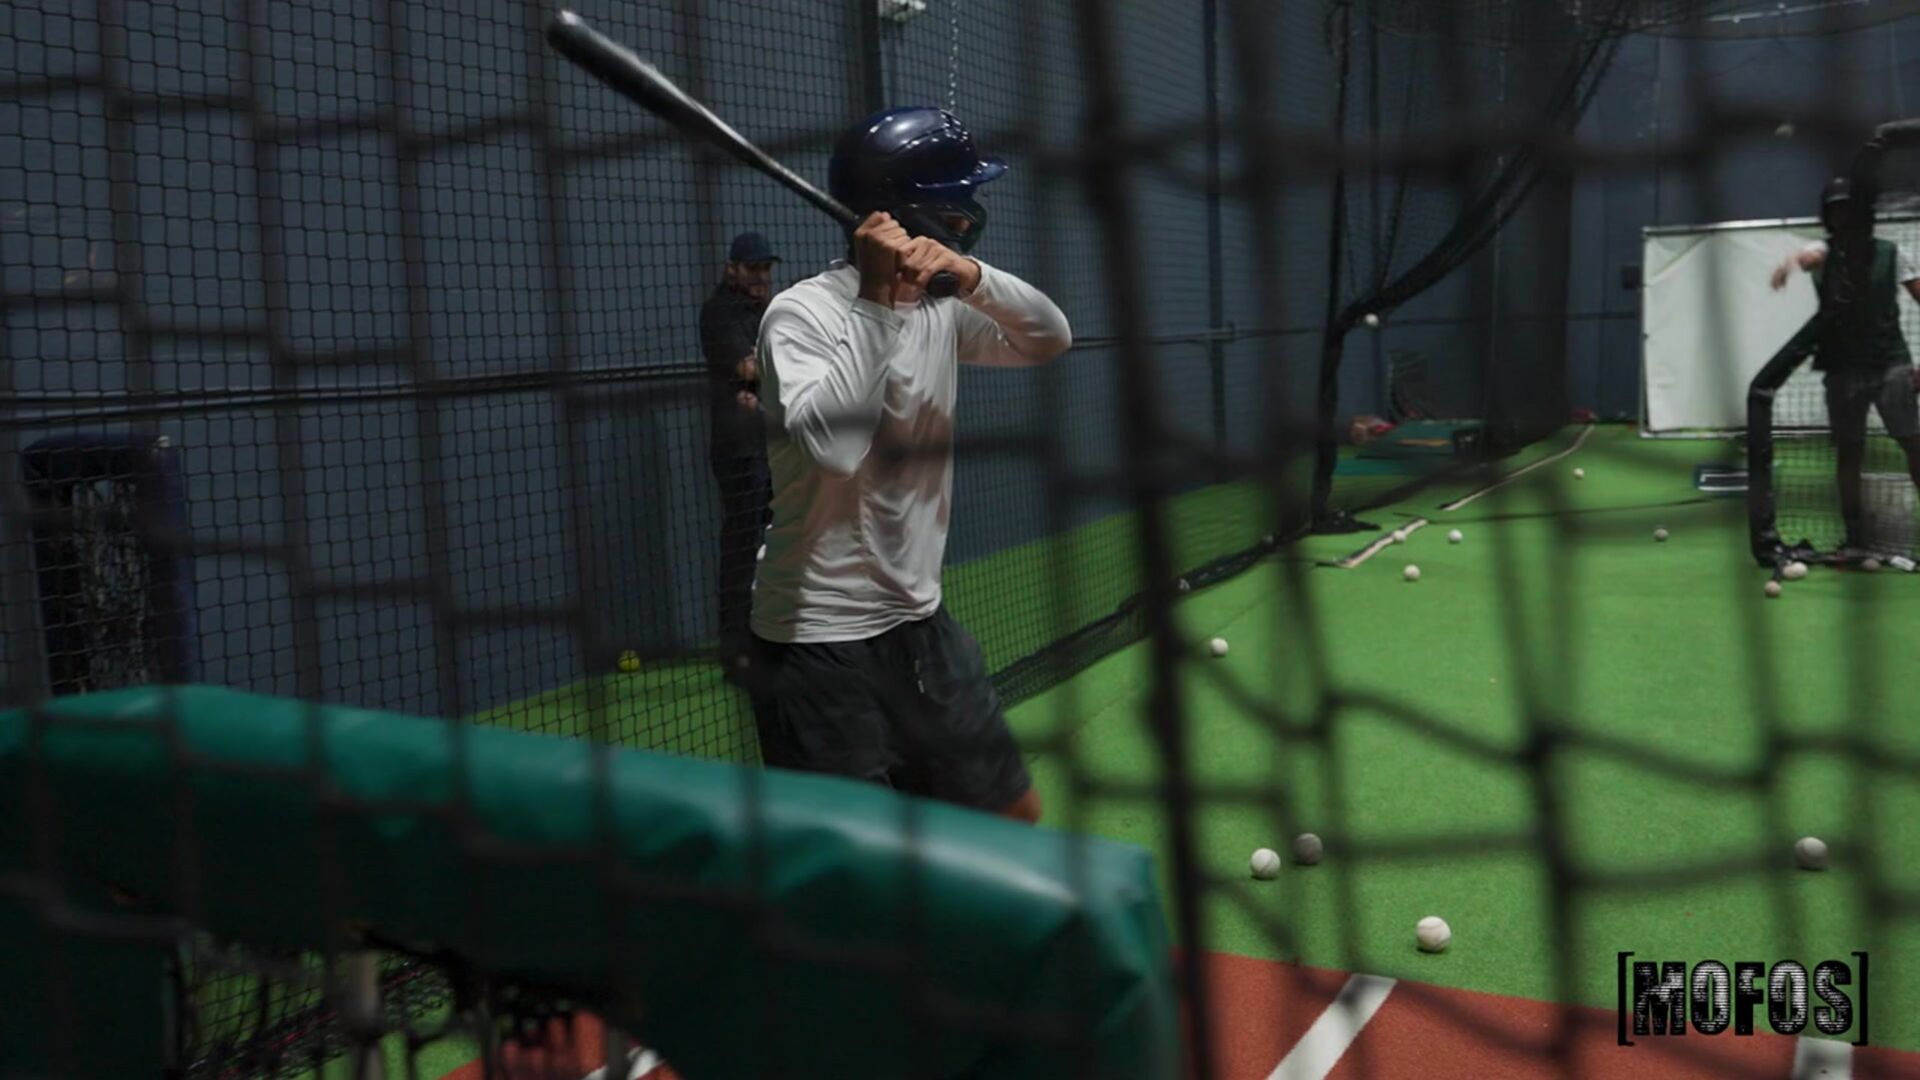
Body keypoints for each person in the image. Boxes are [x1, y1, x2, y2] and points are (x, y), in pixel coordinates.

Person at [744, 107, 1071, 823]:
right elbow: (834, 450)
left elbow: (1049, 337)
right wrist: (875, 301)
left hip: (919, 620)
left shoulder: (941, 308)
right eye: (958, 199)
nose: (970, 212)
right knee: (864, 876)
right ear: (912, 210)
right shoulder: (803, 315)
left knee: (1011, 813)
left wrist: (974, 275)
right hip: (818, 638)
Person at [1771, 176, 1920, 552]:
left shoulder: (1892, 253)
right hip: (1842, 370)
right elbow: (1807, 256)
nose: (1843, 217)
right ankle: (1854, 535)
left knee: (1912, 443)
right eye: (1836, 210)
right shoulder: (1823, 252)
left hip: (1890, 365)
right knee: (1849, 452)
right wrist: (1789, 265)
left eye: (1850, 209)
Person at [701, 232, 779, 675]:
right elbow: (747, 366)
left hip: (770, 445)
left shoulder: (765, 312)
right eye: (753, 268)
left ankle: (773, 636)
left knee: (781, 541)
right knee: (743, 546)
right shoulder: (719, 312)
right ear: (732, 268)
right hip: (739, 451)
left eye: (766, 269)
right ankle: (736, 651)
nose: (761, 277)